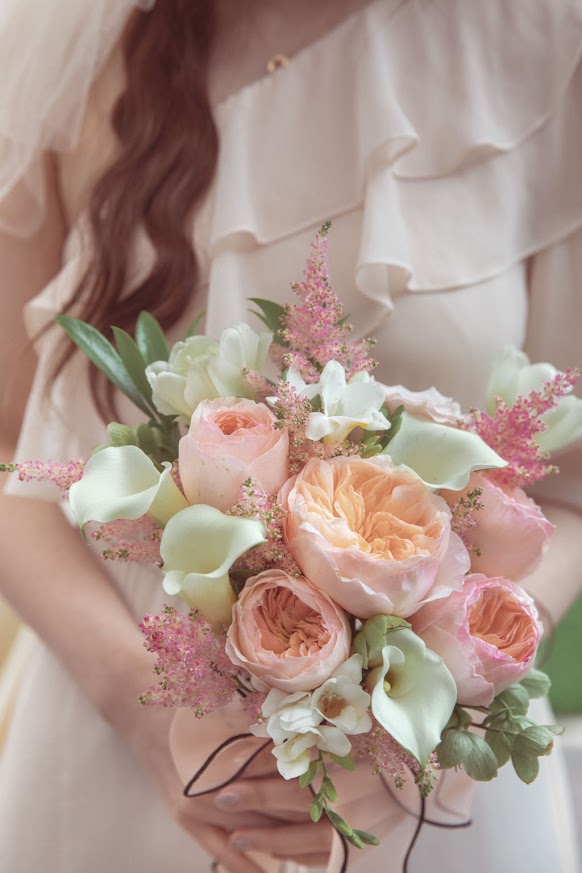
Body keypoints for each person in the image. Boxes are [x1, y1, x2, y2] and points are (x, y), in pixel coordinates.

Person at [0, 1, 581, 871]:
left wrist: (423, 737)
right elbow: (15, 462)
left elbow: (570, 490)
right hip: (123, 749)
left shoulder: (546, 44)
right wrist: (146, 713)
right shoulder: (65, 53)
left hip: (430, 787)